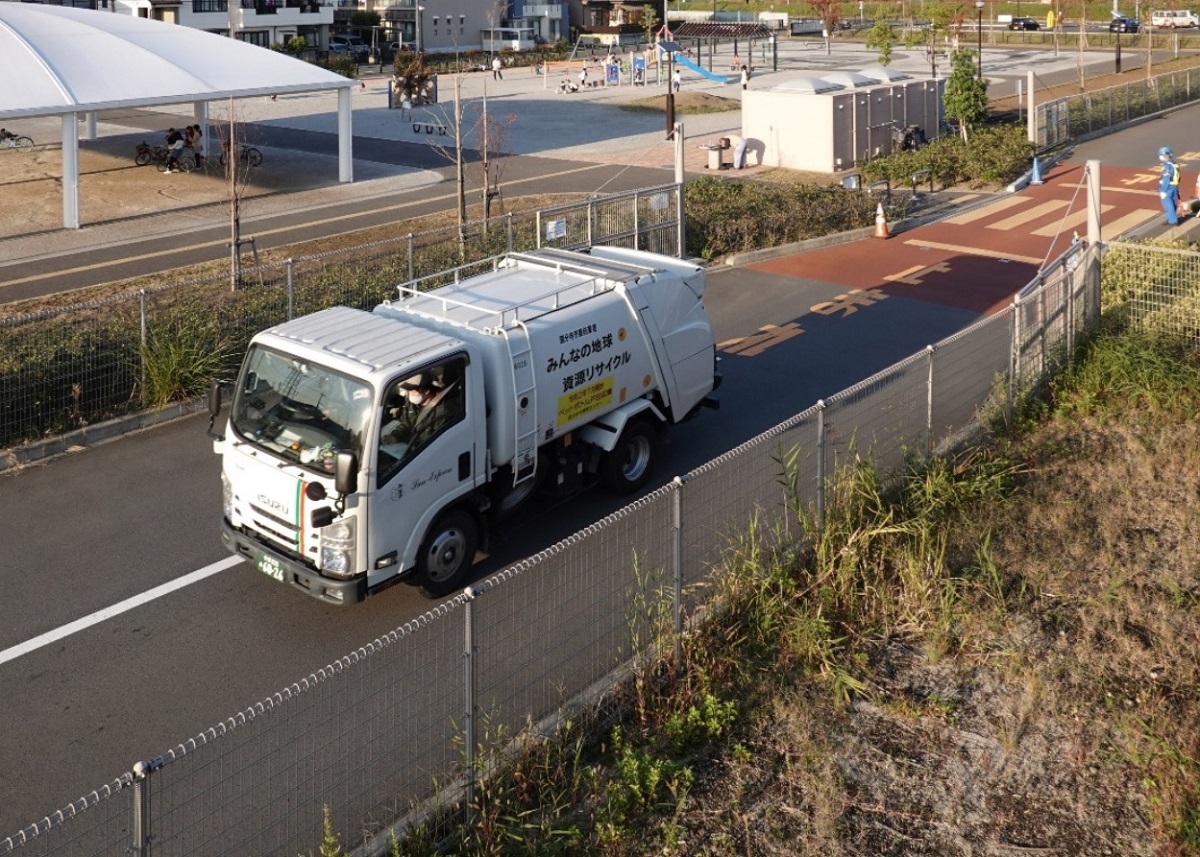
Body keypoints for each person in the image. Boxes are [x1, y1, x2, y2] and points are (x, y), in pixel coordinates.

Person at [1158, 145, 1181, 226]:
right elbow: (1178, 177)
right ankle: (1172, 218)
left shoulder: (1167, 165)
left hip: (1167, 188)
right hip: (1175, 186)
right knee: (1173, 203)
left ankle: (1172, 220)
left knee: (1168, 204)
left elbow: (1166, 178)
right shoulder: (1175, 164)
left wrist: (1163, 190)